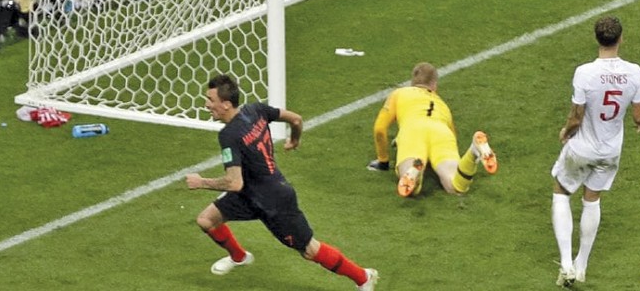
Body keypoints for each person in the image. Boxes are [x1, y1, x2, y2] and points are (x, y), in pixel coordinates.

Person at [185, 74, 378, 290]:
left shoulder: (229, 135)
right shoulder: (255, 110)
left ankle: (363, 277)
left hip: (274, 202)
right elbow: (295, 119)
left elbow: (233, 183)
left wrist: (201, 182)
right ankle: (239, 257)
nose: (207, 104)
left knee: (309, 250)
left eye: (211, 100)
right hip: (250, 193)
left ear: (227, 104)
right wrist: (295, 139)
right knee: (206, 220)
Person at [551, 15, 640, 288]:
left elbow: (576, 116)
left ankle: (567, 264)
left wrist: (566, 131)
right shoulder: (634, 72)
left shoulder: (585, 73)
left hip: (582, 147)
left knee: (561, 192)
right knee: (592, 200)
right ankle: (582, 266)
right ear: (621, 38)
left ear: (597, 39)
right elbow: (639, 114)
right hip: (610, 150)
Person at [367, 62, 498, 198]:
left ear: (412, 81)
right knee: (456, 186)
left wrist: (383, 161)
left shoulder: (399, 93)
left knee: (408, 186)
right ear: (434, 85)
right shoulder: (443, 105)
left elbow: (379, 129)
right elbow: (453, 135)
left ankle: (414, 171)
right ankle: (473, 151)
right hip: (442, 133)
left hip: (413, 131)